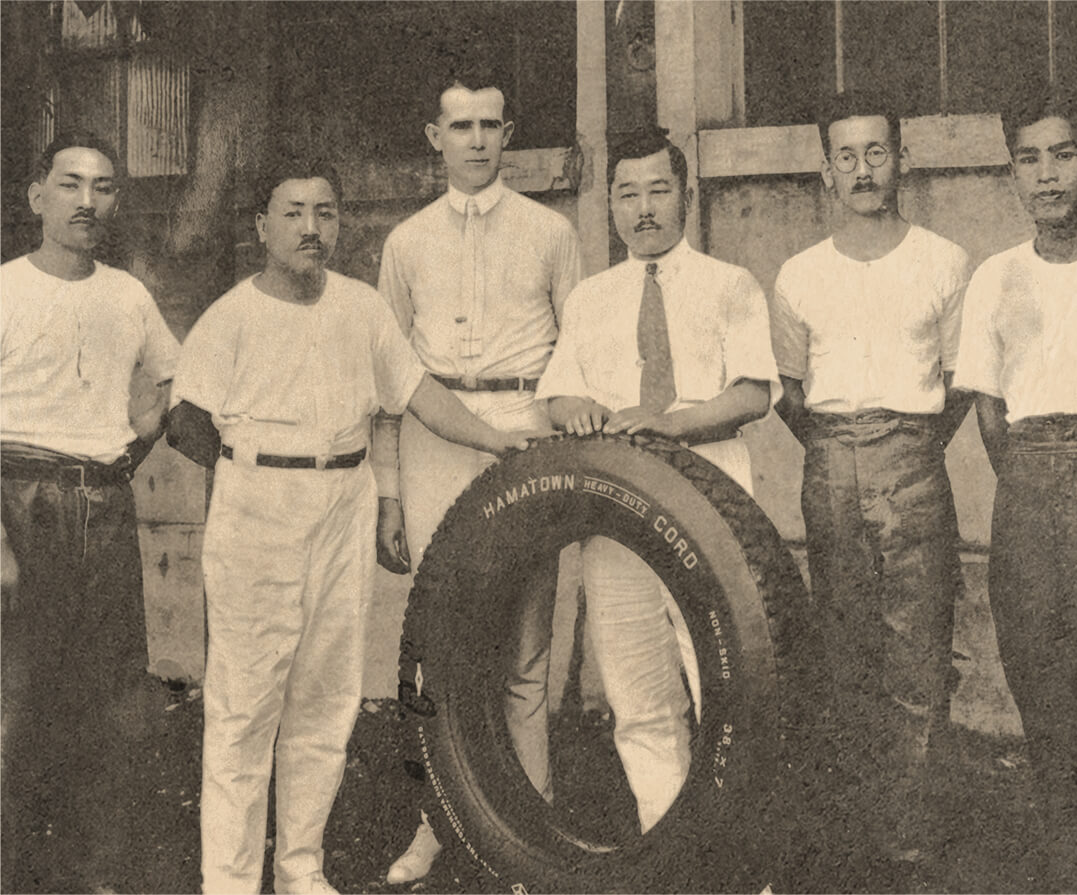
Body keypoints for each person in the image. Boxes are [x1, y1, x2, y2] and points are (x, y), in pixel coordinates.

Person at [167, 154, 537, 895]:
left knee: (326, 700)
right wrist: (259, 474)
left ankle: (300, 867)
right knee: (244, 710)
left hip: (343, 503)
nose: (311, 228)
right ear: (261, 226)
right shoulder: (230, 316)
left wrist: (499, 440)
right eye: (295, 212)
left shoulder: (362, 308)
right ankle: (230, 882)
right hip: (258, 509)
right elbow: (186, 422)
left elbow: (418, 393)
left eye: (325, 212)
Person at [536, 128, 780, 833]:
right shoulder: (589, 297)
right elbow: (556, 395)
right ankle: (672, 852)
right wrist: (574, 406)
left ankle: (740, 864)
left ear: (688, 196)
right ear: (610, 202)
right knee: (639, 697)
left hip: (710, 505)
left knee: (723, 688)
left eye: (658, 191)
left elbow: (753, 394)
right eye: (627, 193)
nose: (643, 210)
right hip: (616, 519)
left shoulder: (730, 284)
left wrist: (670, 423)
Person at [373, 69, 581, 884]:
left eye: (490, 125)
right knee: (442, 650)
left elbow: (579, 349)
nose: (477, 141)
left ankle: (534, 829)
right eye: (460, 126)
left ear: (509, 131)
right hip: (433, 443)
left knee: (524, 650)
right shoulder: (406, 241)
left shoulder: (550, 231)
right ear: (435, 136)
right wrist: (389, 491)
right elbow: (388, 382)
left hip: (523, 437)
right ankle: (436, 824)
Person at [770, 91, 973, 864]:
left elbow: (958, 382)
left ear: (902, 159)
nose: (863, 170)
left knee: (918, 653)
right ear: (825, 169)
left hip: (914, 460)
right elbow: (790, 393)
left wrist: (904, 446)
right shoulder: (798, 275)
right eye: (846, 156)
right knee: (843, 649)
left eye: (877, 152)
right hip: (830, 467)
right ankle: (853, 833)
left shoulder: (943, 261)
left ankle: (911, 834)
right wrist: (841, 449)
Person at [0, 131, 180, 893]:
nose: (87, 200)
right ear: (37, 196)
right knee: (12, 705)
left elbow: (168, 382)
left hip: (102, 506)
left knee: (112, 707)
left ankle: (96, 875)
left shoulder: (128, 295)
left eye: (103, 186)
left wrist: (131, 446)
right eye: (70, 184)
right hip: (17, 503)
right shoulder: (5, 288)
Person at [954, 90, 1077, 803]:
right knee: (1045, 699)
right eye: (1029, 159)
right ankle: (1074, 855)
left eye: (1064, 154)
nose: (1047, 175)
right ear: (1012, 173)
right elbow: (990, 410)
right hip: (1025, 492)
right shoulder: (996, 276)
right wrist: (1035, 480)